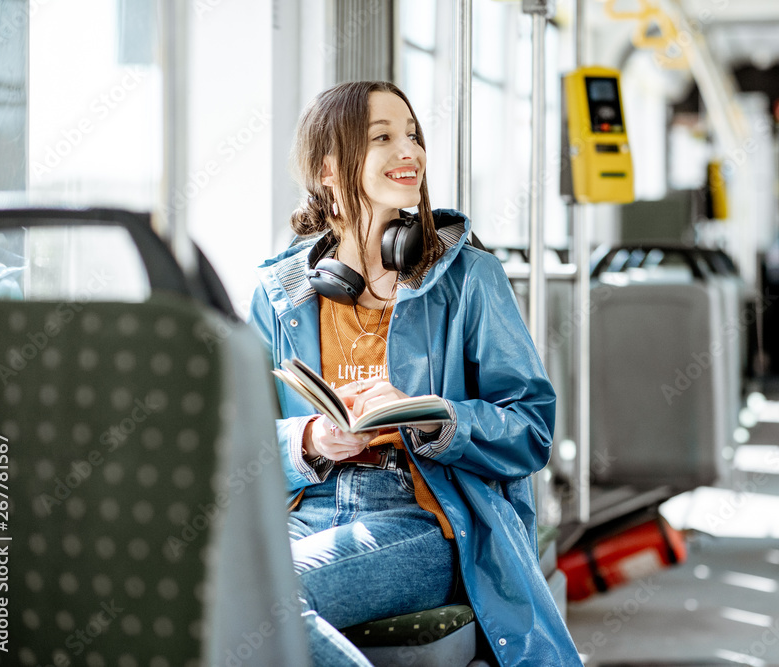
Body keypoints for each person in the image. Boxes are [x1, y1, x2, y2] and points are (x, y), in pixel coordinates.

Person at [249, 80, 581, 666]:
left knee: (265, 601)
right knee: (205, 597)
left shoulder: (468, 279)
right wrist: (311, 438)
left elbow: (530, 429)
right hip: (309, 511)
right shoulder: (280, 296)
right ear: (329, 170)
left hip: (423, 516)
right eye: (384, 138)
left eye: (413, 136)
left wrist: (435, 419)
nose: (411, 153)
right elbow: (235, 442)